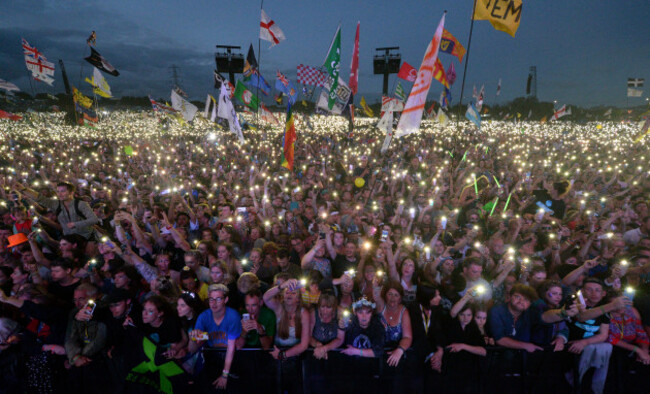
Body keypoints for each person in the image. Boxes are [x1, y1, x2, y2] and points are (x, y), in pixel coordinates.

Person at [189, 284, 241, 391]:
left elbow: (231, 347)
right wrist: (193, 337)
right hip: (211, 359)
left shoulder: (233, 316)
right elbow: (192, 349)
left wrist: (225, 375)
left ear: (225, 299)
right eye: (211, 299)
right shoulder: (203, 317)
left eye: (218, 299)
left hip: (232, 358)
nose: (214, 303)